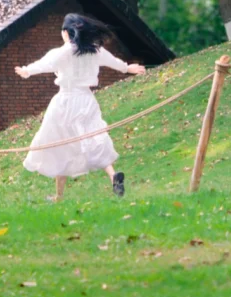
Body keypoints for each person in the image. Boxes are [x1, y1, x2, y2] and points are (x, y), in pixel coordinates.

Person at [15, 13, 146, 201]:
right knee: (94, 137)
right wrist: (127, 68)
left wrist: (27, 71)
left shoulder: (64, 51)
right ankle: (112, 176)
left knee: (60, 143)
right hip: (87, 100)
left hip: (65, 101)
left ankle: (59, 196)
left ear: (66, 33)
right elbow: (113, 62)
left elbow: (46, 63)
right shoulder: (95, 50)